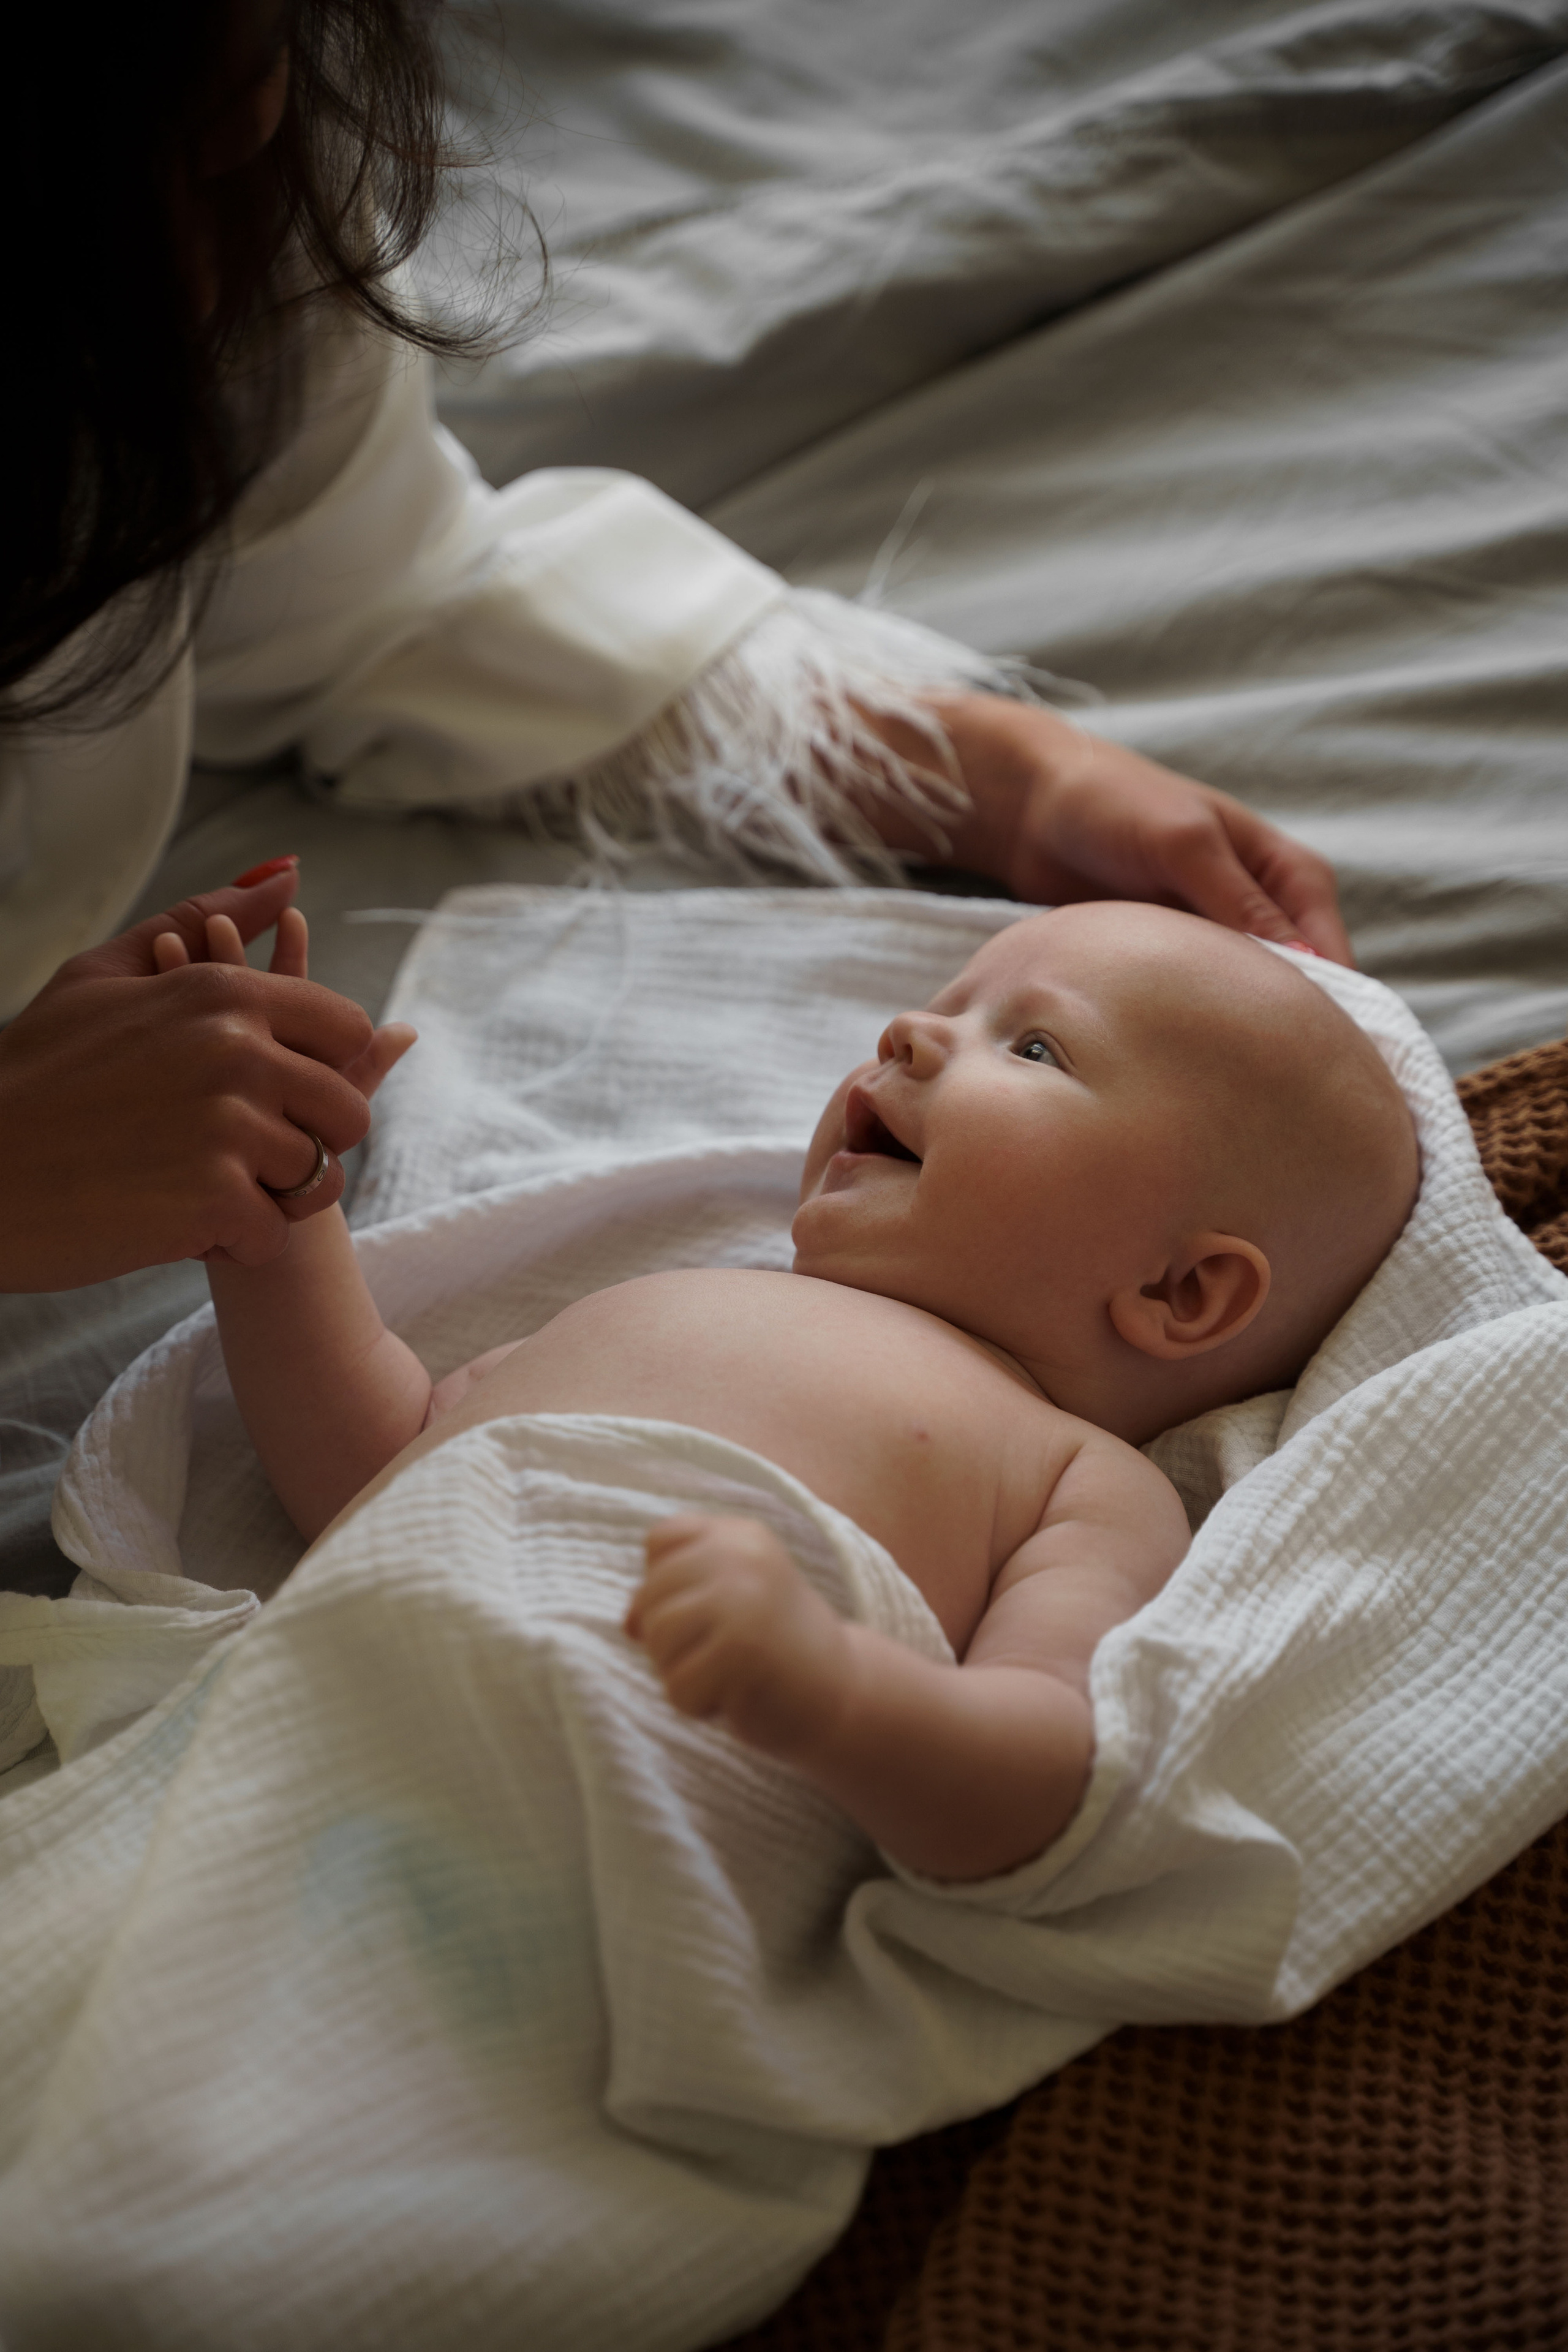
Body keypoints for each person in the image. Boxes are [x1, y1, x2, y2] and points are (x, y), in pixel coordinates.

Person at [0, 0, 1351, 1297]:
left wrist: (987, 771)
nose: (906, 1032)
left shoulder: (233, 182)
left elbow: (351, 588)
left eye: (1037, 1041)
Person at [176, 891, 1417, 1883]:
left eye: (1031, 1045)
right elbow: (374, 1469)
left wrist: (832, 1692)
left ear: (1179, 1292)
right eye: (942, 1005)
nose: (907, 1035)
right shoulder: (672, 1298)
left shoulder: (1079, 1481)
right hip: (303, 1730)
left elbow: (1041, 1779)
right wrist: (282, 1217)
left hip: (586, 1835)